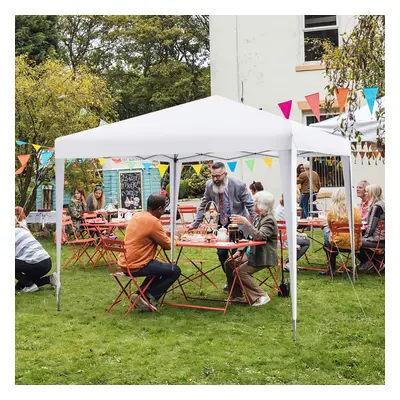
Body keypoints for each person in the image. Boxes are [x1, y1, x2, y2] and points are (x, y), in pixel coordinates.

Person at [187, 162, 257, 291]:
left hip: (238, 223)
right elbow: (204, 205)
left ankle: (238, 282)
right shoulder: (209, 185)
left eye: (218, 176)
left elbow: (250, 206)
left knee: (236, 254)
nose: (215, 179)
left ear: (225, 174)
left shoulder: (239, 185)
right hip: (222, 224)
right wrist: (195, 223)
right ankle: (230, 279)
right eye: (213, 176)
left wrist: (256, 224)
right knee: (221, 253)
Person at [118, 194, 181, 311]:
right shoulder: (153, 221)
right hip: (137, 264)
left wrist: (164, 235)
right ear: (159, 209)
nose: (163, 212)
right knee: (174, 270)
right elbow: (167, 245)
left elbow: (147, 234)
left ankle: (140, 295)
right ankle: (148, 296)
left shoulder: (137, 216)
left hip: (124, 262)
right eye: (163, 209)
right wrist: (176, 238)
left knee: (158, 268)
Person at [224, 191, 278, 306]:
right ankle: (236, 295)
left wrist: (246, 223)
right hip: (251, 252)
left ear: (262, 205)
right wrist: (239, 250)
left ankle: (261, 295)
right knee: (229, 263)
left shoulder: (269, 220)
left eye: (256, 203)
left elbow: (259, 236)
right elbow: (250, 237)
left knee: (240, 271)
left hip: (262, 255)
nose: (254, 205)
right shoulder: (260, 218)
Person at [320, 188, 362, 276]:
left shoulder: (332, 213)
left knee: (325, 231)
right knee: (329, 235)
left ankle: (331, 268)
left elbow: (329, 226)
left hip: (336, 244)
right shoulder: (356, 212)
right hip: (354, 244)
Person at [15, 217, 57, 293]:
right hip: (46, 262)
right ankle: (50, 279)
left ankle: (30, 285)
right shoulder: (22, 230)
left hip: (36, 263)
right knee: (19, 287)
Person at [274, 192, 310, 270]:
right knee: (306, 242)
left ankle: (288, 262)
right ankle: (289, 263)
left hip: (279, 237)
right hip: (285, 239)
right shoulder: (287, 210)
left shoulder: (280, 207)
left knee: (303, 239)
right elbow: (293, 226)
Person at [358, 184, 385, 271]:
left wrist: (365, 237)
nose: (366, 194)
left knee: (355, 241)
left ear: (372, 193)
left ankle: (369, 261)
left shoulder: (376, 207)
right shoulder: (382, 204)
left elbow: (371, 227)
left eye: (367, 192)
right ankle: (376, 260)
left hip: (378, 239)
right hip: (382, 237)